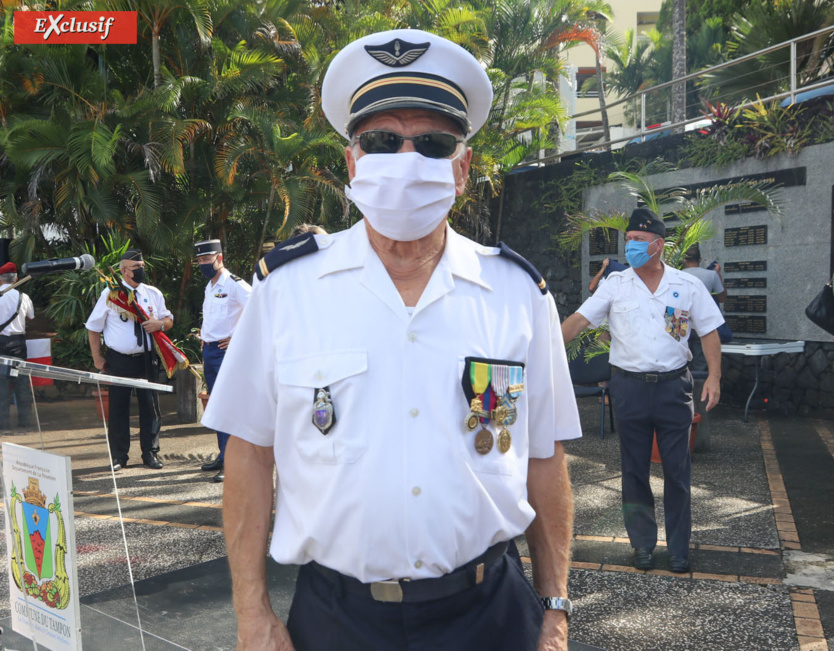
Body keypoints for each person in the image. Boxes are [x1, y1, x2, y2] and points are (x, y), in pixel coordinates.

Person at [203, 28, 582, 651]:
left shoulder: (518, 294)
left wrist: (557, 610)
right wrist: (251, 612)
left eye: (432, 143)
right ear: (351, 163)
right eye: (382, 141)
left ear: (462, 170)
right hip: (338, 619)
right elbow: (248, 455)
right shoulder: (286, 291)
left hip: (492, 615)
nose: (407, 160)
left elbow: (544, 459)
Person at [561, 208, 725, 574]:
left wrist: (713, 377)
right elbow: (578, 321)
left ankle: (679, 548)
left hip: (673, 389)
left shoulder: (687, 285)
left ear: (658, 245)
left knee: (677, 472)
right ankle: (643, 545)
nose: (631, 246)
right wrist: (543, 350)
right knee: (634, 471)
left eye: (638, 241)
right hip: (629, 389)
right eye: (629, 240)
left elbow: (709, 331)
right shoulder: (616, 285)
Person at [86, 249, 173, 471]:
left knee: (150, 407)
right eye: (136, 268)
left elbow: (168, 318)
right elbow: (93, 328)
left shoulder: (153, 293)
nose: (141, 270)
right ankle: (118, 456)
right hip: (119, 360)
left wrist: (160, 324)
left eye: (143, 266)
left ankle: (150, 453)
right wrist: (97, 358)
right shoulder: (110, 295)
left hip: (147, 358)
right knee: (118, 408)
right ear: (124, 271)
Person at [194, 239, 252, 483]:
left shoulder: (236, 285)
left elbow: (259, 312)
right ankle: (223, 455)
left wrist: (237, 338)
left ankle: (234, 461)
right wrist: (204, 336)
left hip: (227, 353)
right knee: (218, 406)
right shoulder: (211, 285)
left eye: (207, 259)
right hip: (210, 351)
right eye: (199, 260)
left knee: (230, 407)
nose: (203, 264)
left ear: (220, 258)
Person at [681, 244, 727, 372]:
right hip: (700, 322)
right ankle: (698, 390)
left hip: (678, 321)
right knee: (700, 364)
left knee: (679, 360)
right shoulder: (711, 275)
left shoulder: (676, 274)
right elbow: (722, 297)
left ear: (684, 260)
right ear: (700, 259)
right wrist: (718, 275)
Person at [0, 263, 34, 430]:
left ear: (0, 279)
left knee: (1, 384)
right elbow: (31, 317)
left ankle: (2, 424)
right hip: (18, 343)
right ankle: (25, 422)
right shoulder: (24, 297)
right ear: (16, 279)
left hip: (0, 343)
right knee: (21, 382)